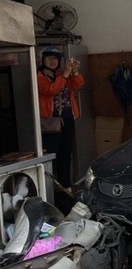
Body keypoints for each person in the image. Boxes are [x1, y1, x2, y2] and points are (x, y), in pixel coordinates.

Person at [37, 47, 85, 189]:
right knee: (52, 155)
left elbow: (78, 84)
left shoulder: (60, 75)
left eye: (56, 59)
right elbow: (51, 90)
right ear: (43, 60)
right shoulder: (39, 77)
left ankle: (66, 186)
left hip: (68, 119)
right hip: (50, 123)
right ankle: (51, 188)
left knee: (66, 153)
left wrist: (74, 71)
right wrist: (64, 75)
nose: (53, 61)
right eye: (49, 58)